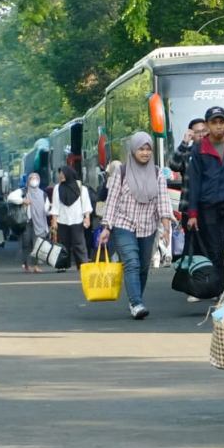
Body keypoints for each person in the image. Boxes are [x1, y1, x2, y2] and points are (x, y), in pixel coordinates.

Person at [98, 132, 173, 320]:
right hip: (123, 224)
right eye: (141, 149)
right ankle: (136, 303)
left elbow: (163, 203)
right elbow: (112, 201)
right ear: (133, 150)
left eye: (148, 149)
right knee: (131, 262)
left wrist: (165, 229)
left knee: (143, 265)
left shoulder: (157, 173)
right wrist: (106, 227)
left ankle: (136, 297)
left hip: (148, 226)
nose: (145, 153)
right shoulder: (120, 172)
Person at [187, 107, 224, 271]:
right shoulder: (199, 148)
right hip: (208, 206)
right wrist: (193, 213)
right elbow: (194, 181)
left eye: (221, 122)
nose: (218, 126)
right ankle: (220, 289)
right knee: (215, 248)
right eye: (214, 122)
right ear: (207, 125)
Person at [49, 166, 93, 268]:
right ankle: (63, 264)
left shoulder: (82, 188)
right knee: (63, 244)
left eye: (63, 174)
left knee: (79, 243)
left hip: (77, 219)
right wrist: (54, 221)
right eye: (60, 174)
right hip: (62, 220)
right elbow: (55, 205)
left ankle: (83, 264)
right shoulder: (57, 188)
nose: (61, 176)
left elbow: (86, 205)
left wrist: (87, 217)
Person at [8, 173, 48, 273]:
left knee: (37, 244)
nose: (33, 180)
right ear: (28, 180)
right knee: (26, 244)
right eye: (31, 178)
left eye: (35, 178)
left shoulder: (43, 194)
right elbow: (11, 197)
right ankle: (26, 264)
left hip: (40, 223)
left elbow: (46, 210)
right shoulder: (23, 191)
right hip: (27, 222)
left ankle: (36, 265)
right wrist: (23, 200)